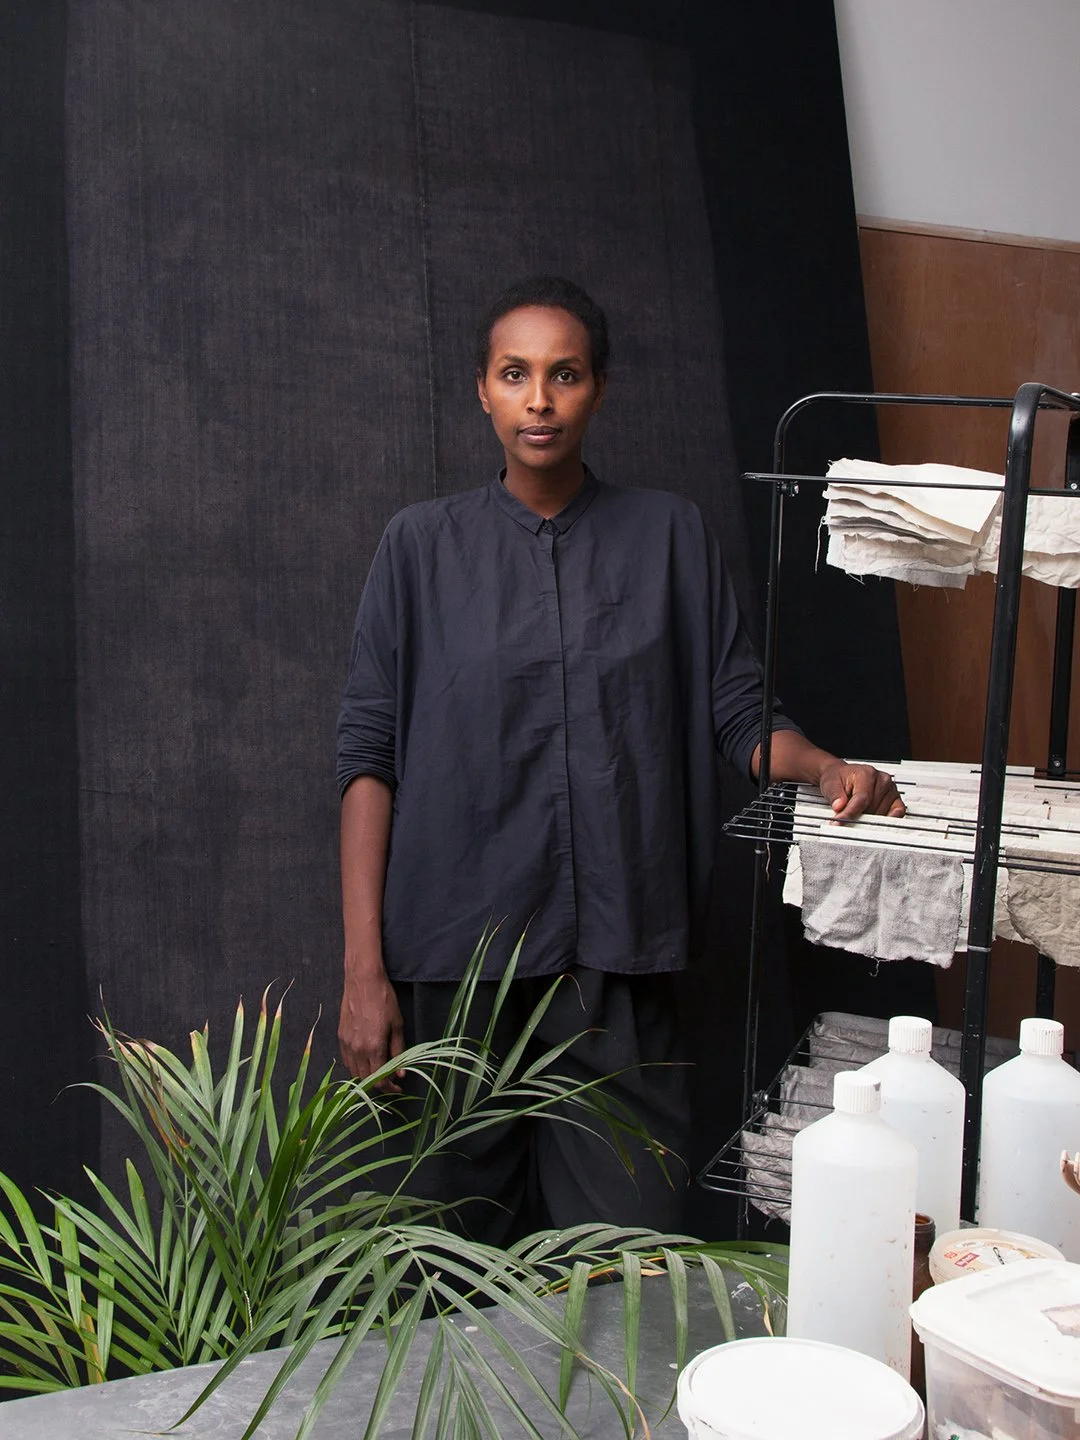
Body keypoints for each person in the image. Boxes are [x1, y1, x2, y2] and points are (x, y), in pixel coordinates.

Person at [336, 275, 903, 1243]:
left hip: (617, 971)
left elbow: (738, 708)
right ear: (483, 389)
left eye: (565, 374)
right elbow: (367, 760)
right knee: (440, 1278)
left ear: (598, 388)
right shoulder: (420, 549)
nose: (540, 399)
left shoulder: (669, 535)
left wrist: (819, 766)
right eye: (516, 375)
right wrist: (363, 973)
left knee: (632, 1268)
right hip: (452, 971)